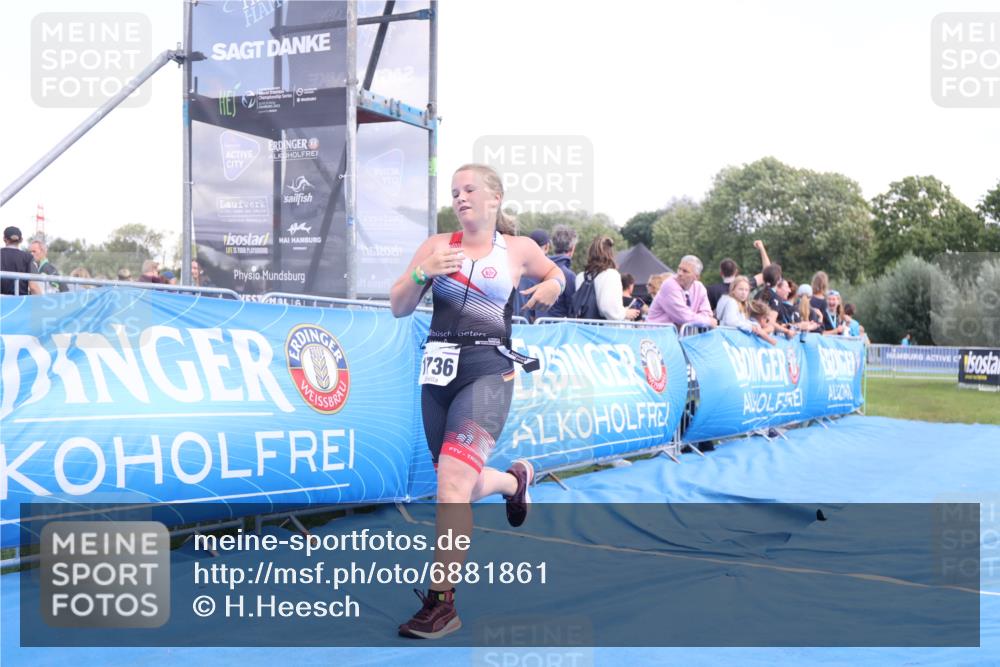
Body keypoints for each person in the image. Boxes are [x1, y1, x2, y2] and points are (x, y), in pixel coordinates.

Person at [389, 163, 563, 640]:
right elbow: (399, 305)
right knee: (457, 488)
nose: (460, 197)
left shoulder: (517, 249)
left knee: (450, 486)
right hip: (438, 374)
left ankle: (442, 604)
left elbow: (556, 276)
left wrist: (551, 285)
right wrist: (423, 272)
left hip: (488, 373)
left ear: (494, 200)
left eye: (470, 190)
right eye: (454, 192)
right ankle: (513, 481)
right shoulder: (436, 246)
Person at [575, 236, 640, 321]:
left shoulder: (581, 276)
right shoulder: (611, 275)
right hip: (602, 329)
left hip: (582, 328)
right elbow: (609, 308)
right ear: (610, 254)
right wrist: (625, 313)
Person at [646, 255, 717, 328]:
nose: (680, 273)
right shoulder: (669, 285)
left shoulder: (700, 288)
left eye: (685, 271)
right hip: (658, 335)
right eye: (679, 269)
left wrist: (699, 320)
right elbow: (683, 317)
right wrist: (707, 321)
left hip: (677, 336)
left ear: (696, 277)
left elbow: (707, 313)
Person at [706, 240, 772, 311]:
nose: (743, 291)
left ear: (721, 273)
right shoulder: (745, 284)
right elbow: (768, 272)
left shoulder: (711, 290)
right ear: (736, 272)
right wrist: (761, 248)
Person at [512, 229, 550, 322]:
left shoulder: (516, 266)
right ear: (546, 247)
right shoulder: (545, 273)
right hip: (529, 329)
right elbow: (538, 315)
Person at [546, 225, 577, 318]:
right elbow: (572, 308)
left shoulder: (541, 269)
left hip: (539, 327)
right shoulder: (569, 275)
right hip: (560, 329)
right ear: (572, 248)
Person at [1, 226, 41, 295]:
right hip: (20, 303)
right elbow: (33, 286)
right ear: (21, 240)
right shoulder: (28, 257)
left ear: (4, 239)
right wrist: (42, 302)